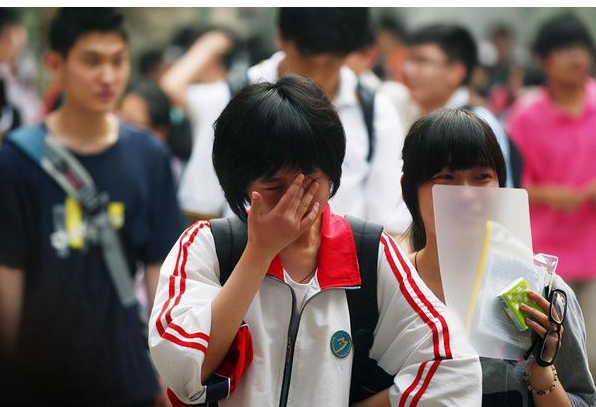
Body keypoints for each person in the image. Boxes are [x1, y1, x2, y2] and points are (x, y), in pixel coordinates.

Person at [148, 75, 481, 407]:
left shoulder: (369, 253)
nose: (296, 199)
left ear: (332, 173)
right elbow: (181, 370)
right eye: (275, 187)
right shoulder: (208, 246)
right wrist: (259, 253)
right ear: (241, 184)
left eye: (311, 182)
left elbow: (456, 368)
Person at [0, 8, 182, 405]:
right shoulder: (16, 162)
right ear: (56, 65)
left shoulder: (149, 157)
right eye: (92, 61)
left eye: (118, 61)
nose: (108, 76)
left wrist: (165, 377)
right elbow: (7, 284)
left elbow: (161, 276)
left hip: (127, 380)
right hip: (38, 384)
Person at [401, 108, 596, 407]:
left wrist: (542, 368)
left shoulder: (542, 294)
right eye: (446, 178)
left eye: (481, 177)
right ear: (408, 191)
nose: (466, 194)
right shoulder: (390, 286)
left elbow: (583, 400)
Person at [161, 8, 407, 234]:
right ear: (281, 39)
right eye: (308, 62)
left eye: (332, 64)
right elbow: (202, 207)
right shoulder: (231, 99)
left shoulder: (376, 112)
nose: (317, 77)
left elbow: (385, 223)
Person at [507, 13, 596, 383]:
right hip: (544, 258)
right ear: (542, 60)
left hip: (593, 251)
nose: (576, 57)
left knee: (592, 356)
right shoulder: (526, 116)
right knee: (547, 356)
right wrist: (549, 193)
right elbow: (511, 183)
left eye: (581, 48)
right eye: (563, 50)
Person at [402, 23, 516, 188]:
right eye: (408, 60)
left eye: (421, 61)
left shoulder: (479, 123)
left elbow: (500, 194)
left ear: (456, 71)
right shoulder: (406, 114)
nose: (407, 69)